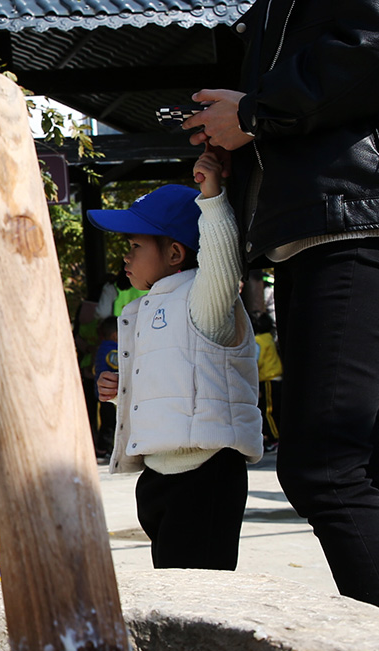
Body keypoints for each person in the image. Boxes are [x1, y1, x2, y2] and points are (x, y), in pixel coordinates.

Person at [183, 0, 379, 609]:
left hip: (355, 225)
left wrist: (253, 110)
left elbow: (377, 42)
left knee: (324, 466)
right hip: (316, 233)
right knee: (354, 464)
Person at [91, 148, 263, 570]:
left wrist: (213, 197)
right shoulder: (140, 309)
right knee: (172, 587)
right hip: (157, 475)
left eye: (134, 245)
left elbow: (221, 262)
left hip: (205, 474)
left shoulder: (204, 300)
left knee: (203, 596)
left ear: (175, 254)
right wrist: (118, 393)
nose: (125, 257)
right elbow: (166, 385)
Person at [251, 310, 282, 453]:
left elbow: (257, 360)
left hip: (268, 378)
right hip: (276, 377)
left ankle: (275, 438)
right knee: (275, 409)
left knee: (268, 411)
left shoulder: (258, 341)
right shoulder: (269, 338)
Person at [93, 315, 118, 462]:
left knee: (105, 419)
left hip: (102, 392)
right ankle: (105, 448)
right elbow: (117, 365)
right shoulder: (112, 350)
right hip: (109, 393)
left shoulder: (101, 347)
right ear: (115, 335)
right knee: (109, 422)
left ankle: (104, 447)